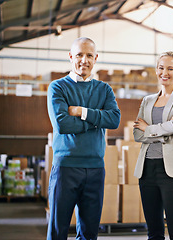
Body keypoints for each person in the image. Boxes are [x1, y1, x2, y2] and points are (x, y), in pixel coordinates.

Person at [46, 37, 121, 240]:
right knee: (57, 231)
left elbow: (114, 120)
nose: (84, 60)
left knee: (89, 234)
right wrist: (97, 120)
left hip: (95, 169)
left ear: (95, 58)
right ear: (71, 57)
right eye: (79, 54)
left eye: (89, 55)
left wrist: (82, 112)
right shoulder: (57, 87)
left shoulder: (104, 89)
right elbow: (63, 124)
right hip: (65, 168)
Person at [133, 51, 173, 240]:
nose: (165, 72)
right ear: (156, 70)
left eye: (170, 68)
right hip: (147, 171)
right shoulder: (147, 101)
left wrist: (150, 129)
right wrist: (164, 131)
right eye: (161, 68)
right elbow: (137, 133)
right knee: (154, 233)